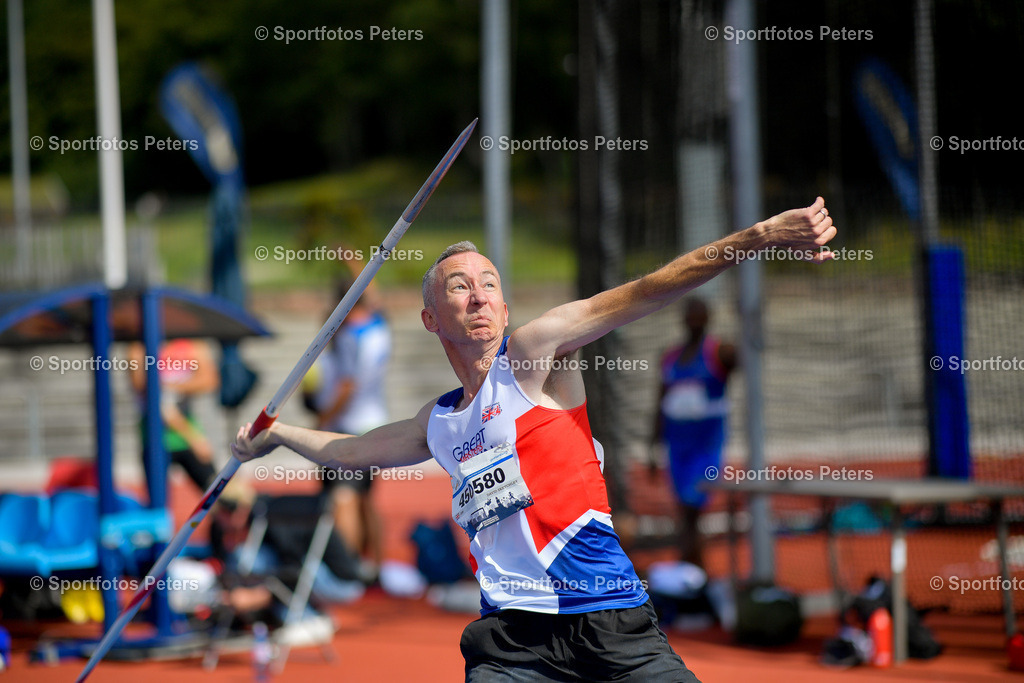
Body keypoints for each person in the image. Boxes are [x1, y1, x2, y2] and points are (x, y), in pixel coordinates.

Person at [232, 197, 837, 681]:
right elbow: (350, 451)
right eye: (459, 287)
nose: (479, 296)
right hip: (514, 645)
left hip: (608, 619)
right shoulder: (438, 422)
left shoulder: (533, 356)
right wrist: (277, 432)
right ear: (430, 319)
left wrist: (756, 238)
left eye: (489, 283)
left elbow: (646, 292)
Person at [314, 275, 391, 578]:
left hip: (349, 426)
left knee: (343, 498)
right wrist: (357, 264)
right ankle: (377, 567)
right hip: (375, 422)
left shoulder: (348, 334)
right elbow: (373, 295)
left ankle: (347, 571)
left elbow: (347, 385)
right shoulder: (379, 326)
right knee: (366, 499)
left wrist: (322, 419)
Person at [651, 297, 737, 569]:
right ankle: (691, 569)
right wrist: (652, 445)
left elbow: (744, 358)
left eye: (700, 315)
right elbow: (660, 403)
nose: (694, 321)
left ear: (708, 318)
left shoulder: (720, 352)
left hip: (706, 446)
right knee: (683, 510)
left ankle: (694, 569)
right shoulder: (670, 357)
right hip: (677, 446)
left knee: (693, 509)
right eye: (690, 315)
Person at [130, 338, 219, 491]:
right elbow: (152, 397)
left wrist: (170, 386)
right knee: (159, 502)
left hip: (186, 434)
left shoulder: (191, 344)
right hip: (156, 438)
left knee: (216, 493)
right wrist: (193, 437)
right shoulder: (139, 347)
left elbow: (210, 379)